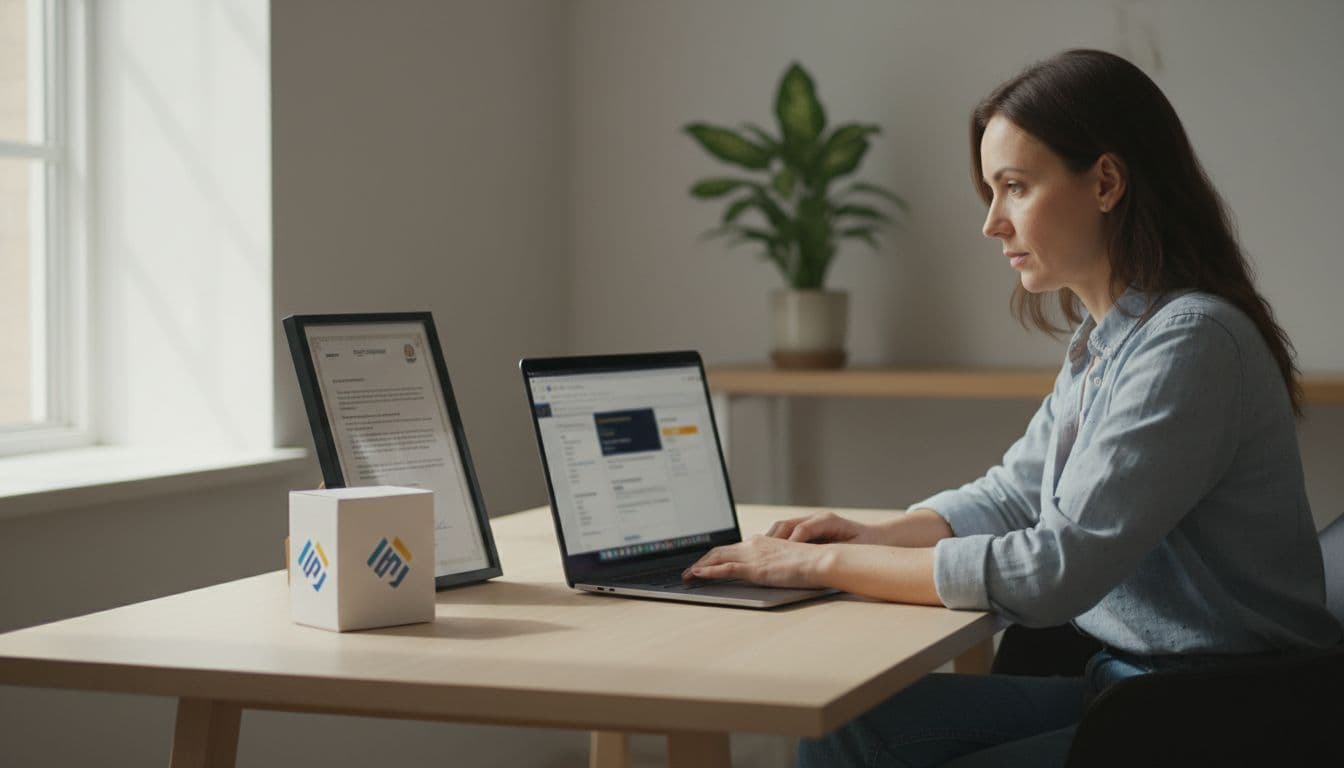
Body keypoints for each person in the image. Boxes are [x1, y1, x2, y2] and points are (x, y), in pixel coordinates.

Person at [684, 48, 1343, 767]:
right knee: (849, 725)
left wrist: (819, 566)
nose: (992, 223)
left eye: (1015, 187)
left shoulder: (1191, 343)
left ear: (1107, 182)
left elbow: (1049, 571)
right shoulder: (1110, 341)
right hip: (1126, 691)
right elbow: (1013, 494)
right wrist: (869, 536)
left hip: (1215, 720)